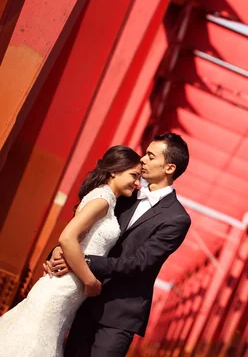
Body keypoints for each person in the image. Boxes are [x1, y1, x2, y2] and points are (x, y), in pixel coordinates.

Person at [46, 132, 191, 356]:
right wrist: (58, 251)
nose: (142, 159)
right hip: (86, 299)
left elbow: (139, 263)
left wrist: (80, 260)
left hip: (120, 315)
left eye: (151, 156)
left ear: (169, 168)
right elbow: (86, 230)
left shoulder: (177, 219)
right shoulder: (125, 193)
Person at [0, 145, 142, 356]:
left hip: (66, 294)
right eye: (134, 175)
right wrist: (90, 281)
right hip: (61, 289)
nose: (138, 183)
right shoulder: (102, 200)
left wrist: (60, 252)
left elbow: (78, 239)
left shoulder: (106, 199)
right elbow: (67, 237)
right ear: (115, 170)